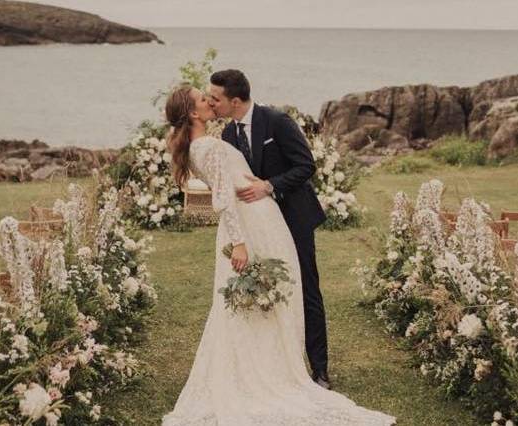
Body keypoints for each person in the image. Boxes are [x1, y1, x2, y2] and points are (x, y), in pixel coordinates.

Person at [160, 84, 395, 426]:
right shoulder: (208, 145)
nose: (209, 102)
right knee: (261, 299)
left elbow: (239, 180)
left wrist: (261, 184)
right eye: (202, 99)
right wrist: (239, 243)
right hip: (251, 227)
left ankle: (277, 366)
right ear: (194, 113)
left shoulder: (206, 144)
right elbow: (223, 198)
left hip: (259, 221)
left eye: (212, 97)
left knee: (267, 299)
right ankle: (268, 374)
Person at [208, 69, 330, 388]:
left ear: (235, 101)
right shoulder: (227, 136)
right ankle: (278, 365)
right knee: (268, 288)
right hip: (260, 226)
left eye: (215, 98)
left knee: (305, 288)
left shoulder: (277, 122)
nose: (211, 103)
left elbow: (306, 166)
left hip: (294, 217)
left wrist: (270, 186)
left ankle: (320, 369)